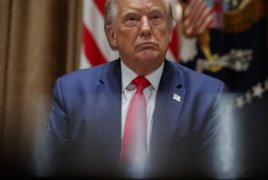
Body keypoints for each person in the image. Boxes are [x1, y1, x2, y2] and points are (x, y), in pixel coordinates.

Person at [43, 0, 226, 178]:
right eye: (132, 19)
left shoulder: (208, 96)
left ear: (170, 32)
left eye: (155, 17)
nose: (146, 29)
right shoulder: (71, 92)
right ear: (112, 35)